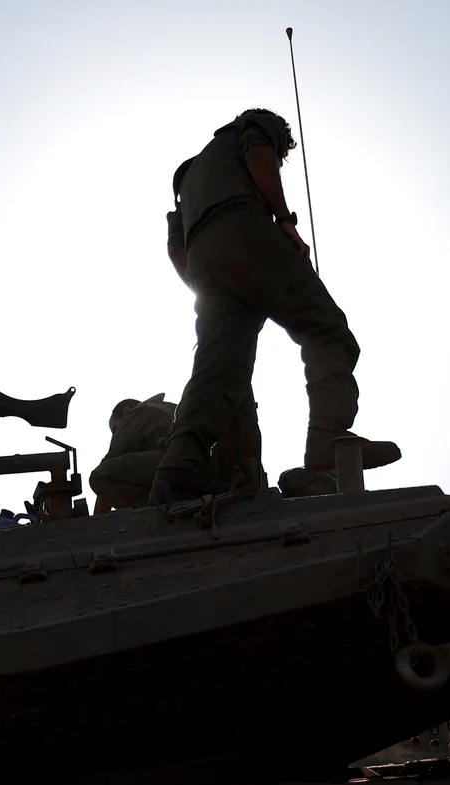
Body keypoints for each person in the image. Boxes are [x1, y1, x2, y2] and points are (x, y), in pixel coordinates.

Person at [153, 108, 394, 503]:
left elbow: (177, 255)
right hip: (242, 226)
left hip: (203, 263)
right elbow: (259, 156)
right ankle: (327, 440)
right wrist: (283, 219)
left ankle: (178, 466)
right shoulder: (252, 126)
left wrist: (214, 284)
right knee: (324, 327)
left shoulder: (185, 195)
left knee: (219, 371)